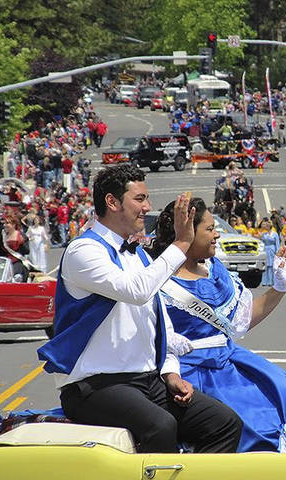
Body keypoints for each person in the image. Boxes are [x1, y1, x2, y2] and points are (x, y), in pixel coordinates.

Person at [37, 165, 242, 453]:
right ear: (112, 202)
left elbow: (160, 323)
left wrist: (171, 373)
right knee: (161, 426)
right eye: (140, 199)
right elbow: (136, 291)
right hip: (95, 386)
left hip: (147, 380)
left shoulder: (141, 256)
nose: (147, 207)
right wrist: (182, 242)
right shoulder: (83, 251)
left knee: (224, 422)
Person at [149, 198, 286, 453]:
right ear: (187, 232)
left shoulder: (214, 269)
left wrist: (279, 289)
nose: (217, 234)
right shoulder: (155, 278)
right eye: (209, 229)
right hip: (189, 374)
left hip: (230, 363)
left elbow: (240, 323)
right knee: (253, 428)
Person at [0, 214, 30, 281]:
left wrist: (21, 243)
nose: (5, 225)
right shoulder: (2, 235)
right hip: (5, 262)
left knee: (15, 276)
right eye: (4, 223)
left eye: (7, 223)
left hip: (17, 261)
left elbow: (27, 251)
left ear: (14, 224)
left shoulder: (21, 235)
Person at [258, 218, 280, 286]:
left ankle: (271, 281)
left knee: (272, 266)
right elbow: (261, 242)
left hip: (272, 250)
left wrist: (277, 252)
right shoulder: (264, 234)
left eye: (267, 226)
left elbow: (277, 243)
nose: (266, 227)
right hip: (266, 249)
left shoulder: (275, 234)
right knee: (265, 265)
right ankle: (264, 281)